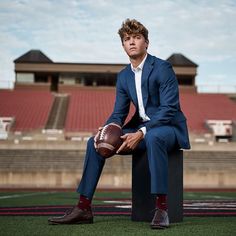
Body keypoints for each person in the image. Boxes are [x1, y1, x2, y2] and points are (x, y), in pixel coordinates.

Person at [48, 18, 190, 229]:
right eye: (127, 38)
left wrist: (141, 132)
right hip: (141, 129)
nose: (132, 42)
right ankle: (83, 207)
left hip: (168, 128)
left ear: (146, 43)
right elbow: (119, 113)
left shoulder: (162, 68)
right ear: (123, 45)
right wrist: (108, 129)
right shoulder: (123, 76)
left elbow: (169, 109)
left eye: (137, 37)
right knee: (93, 142)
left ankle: (161, 209)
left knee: (154, 136)